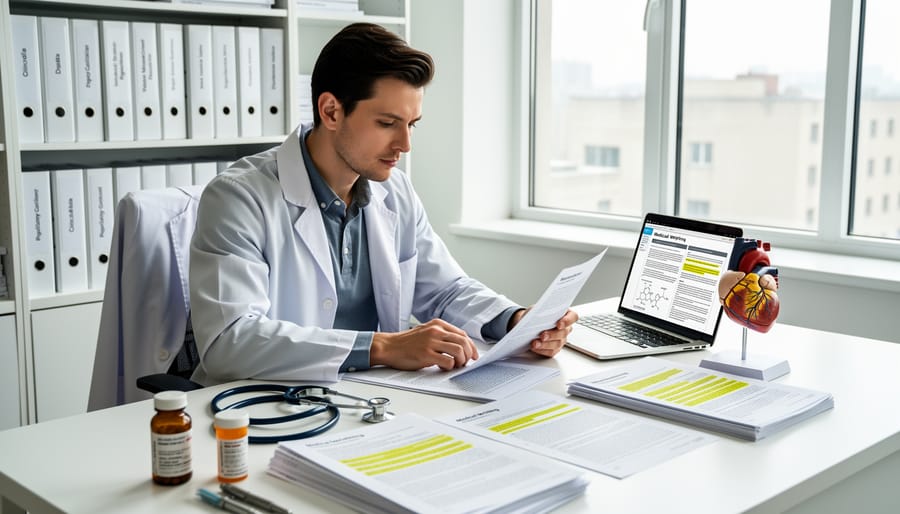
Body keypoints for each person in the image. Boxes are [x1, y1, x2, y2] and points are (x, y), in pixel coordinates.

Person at [188, 22, 577, 385]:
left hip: (369, 395)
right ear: (331, 111)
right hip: (262, 406)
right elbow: (229, 340)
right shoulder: (238, 197)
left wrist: (515, 321)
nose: (405, 145)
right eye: (388, 124)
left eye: (412, 124)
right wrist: (383, 347)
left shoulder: (395, 192)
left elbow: (444, 290)